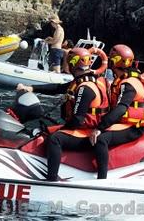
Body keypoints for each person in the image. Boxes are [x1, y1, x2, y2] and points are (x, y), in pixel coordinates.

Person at [17, 47, 109, 181]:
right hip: (85, 128)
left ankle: (52, 179)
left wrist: (61, 129)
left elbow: (78, 120)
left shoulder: (84, 88)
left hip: (87, 132)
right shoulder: (85, 80)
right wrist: (31, 88)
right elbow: (58, 88)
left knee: (55, 139)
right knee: (44, 130)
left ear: (72, 64)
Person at [91, 44, 144, 179]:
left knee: (101, 139)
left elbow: (121, 108)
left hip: (134, 127)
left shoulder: (129, 83)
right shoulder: (128, 79)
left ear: (115, 62)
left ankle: (102, 180)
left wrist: (100, 127)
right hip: (128, 123)